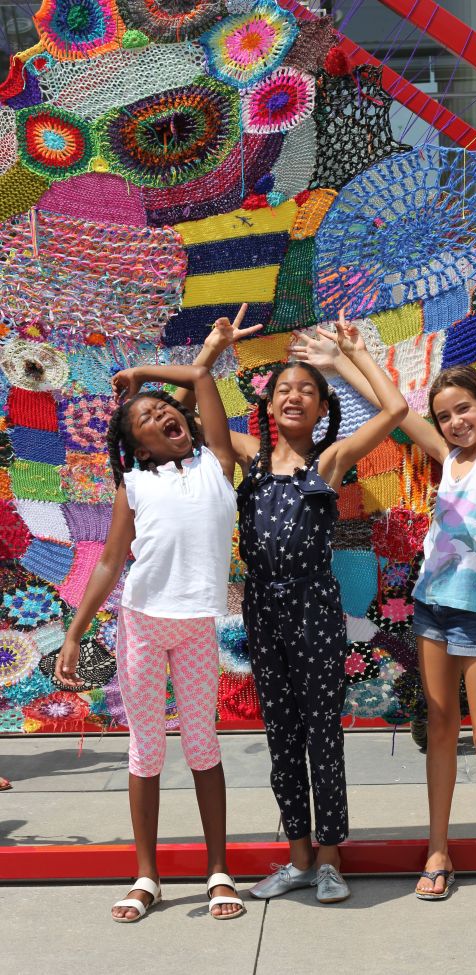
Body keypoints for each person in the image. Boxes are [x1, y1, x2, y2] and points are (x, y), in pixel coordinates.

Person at [289, 263, 476, 904]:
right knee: (438, 728)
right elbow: (392, 410)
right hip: (433, 609)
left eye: (464, 410)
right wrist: (345, 357)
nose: (455, 422)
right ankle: (438, 849)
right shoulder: (451, 461)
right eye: (446, 414)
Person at [182, 312, 408, 904]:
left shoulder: (328, 462)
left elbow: (395, 412)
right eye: (285, 388)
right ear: (269, 403)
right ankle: (299, 859)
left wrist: (352, 357)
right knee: (281, 735)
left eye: (307, 390)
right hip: (261, 605)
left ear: (321, 407)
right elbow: (190, 413)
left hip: (313, 605)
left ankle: (332, 859)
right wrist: (212, 353)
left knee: (321, 735)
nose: (294, 396)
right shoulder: (248, 455)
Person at [55, 338, 259, 922]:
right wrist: (75, 632)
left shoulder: (218, 464)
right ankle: (147, 875)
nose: (161, 415)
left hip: (196, 628)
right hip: (141, 625)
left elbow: (198, 376)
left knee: (202, 746)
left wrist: (142, 374)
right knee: (145, 752)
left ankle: (218, 870)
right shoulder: (135, 486)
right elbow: (108, 562)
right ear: (135, 445)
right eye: (146, 417)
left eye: (163, 409)